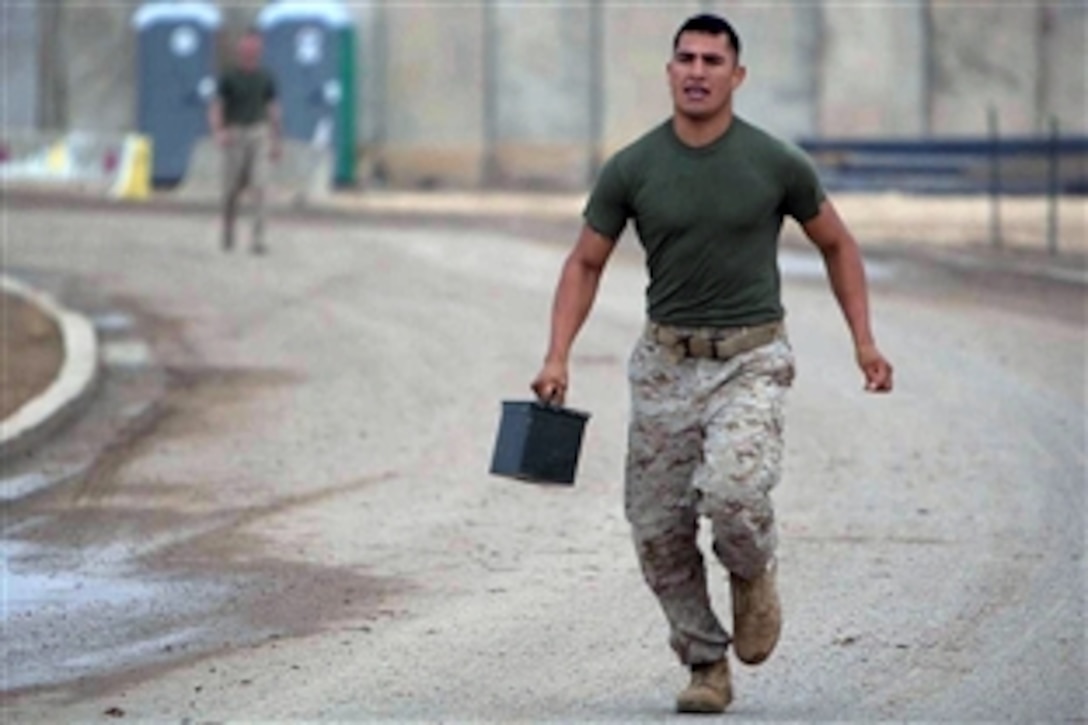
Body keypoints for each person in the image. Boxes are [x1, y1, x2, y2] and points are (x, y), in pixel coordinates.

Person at [530, 13, 894, 715]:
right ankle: (704, 663)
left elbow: (839, 245)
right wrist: (557, 353)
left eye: (712, 60)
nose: (697, 71)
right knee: (657, 529)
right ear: (669, 71)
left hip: (751, 359)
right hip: (665, 364)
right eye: (686, 59)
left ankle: (753, 572)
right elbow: (584, 262)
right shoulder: (633, 167)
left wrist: (864, 341)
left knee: (733, 494)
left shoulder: (775, 163)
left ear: (737, 75)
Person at [207, 29, 282, 255]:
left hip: (258, 133)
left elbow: (273, 109)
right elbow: (216, 107)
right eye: (247, 46)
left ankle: (259, 238)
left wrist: (276, 140)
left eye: (255, 46)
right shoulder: (229, 77)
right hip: (235, 133)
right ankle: (228, 230)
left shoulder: (266, 77)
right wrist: (219, 131)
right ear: (241, 49)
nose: (251, 50)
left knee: (260, 186)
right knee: (231, 189)